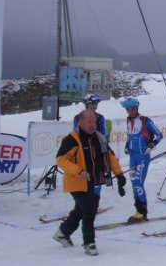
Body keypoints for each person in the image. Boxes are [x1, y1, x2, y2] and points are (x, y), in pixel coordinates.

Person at [53, 110, 126, 256]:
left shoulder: (99, 138)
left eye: (94, 122)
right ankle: (89, 242)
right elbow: (60, 159)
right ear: (80, 122)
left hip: (91, 182)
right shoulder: (72, 139)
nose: (92, 125)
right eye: (89, 122)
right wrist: (78, 171)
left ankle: (63, 232)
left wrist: (119, 174)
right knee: (90, 208)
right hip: (76, 182)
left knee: (81, 210)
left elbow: (110, 157)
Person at [122, 98, 163, 224]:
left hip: (142, 156)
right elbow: (130, 137)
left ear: (137, 108)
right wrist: (127, 146)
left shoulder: (145, 121)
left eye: (132, 108)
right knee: (134, 184)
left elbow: (159, 135)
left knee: (139, 183)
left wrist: (151, 145)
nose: (129, 111)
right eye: (127, 109)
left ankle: (142, 212)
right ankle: (138, 210)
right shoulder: (128, 120)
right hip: (133, 156)